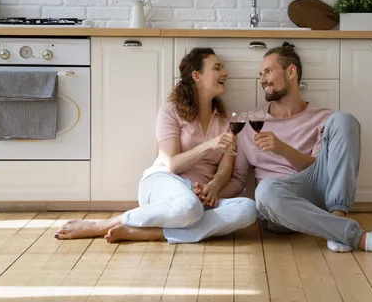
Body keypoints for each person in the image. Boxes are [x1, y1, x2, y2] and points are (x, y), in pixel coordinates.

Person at [217, 42, 372, 256]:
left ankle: (337, 220)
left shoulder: (322, 118)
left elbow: (322, 169)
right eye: (261, 74)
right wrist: (212, 194)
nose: (263, 80)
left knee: (344, 120)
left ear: (291, 72)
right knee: (265, 191)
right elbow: (238, 179)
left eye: (269, 71)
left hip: (315, 192)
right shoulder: (249, 122)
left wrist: (283, 149)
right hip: (277, 206)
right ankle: (359, 238)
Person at [55, 48, 258, 243]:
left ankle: (154, 233)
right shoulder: (171, 111)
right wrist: (208, 145)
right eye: (217, 67)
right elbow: (173, 165)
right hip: (165, 181)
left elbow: (225, 169)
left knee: (248, 209)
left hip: (201, 196)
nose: (225, 72)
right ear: (197, 76)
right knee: (189, 208)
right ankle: (105, 224)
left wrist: (212, 188)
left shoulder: (228, 120)